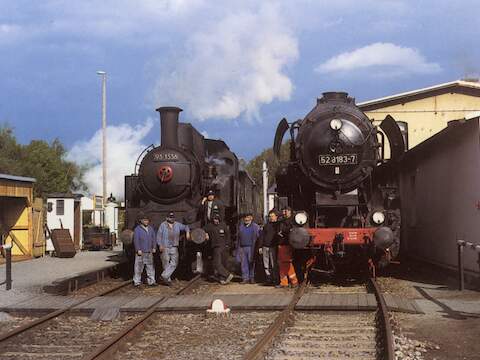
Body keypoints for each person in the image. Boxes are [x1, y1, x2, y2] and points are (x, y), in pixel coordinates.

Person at [156, 212, 190, 286]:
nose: (172, 219)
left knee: (174, 263)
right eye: (170, 217)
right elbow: (159, 235)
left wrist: (187, 232)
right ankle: (167, 280)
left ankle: (163, 276)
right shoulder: (163, 225)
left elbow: (186, 227)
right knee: (165, 263)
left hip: (174, 246)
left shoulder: (177, 224)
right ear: (167, 218)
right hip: (165, 246)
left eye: (173, 217)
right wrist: (160, 245)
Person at [204, 214, 234, 284]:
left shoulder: (223, 225)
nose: (216, 221)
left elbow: (228, 235)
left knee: (223, 263)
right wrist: (205, 234)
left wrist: (227, 245)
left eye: (217, 219)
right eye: (214, 219)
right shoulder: (209, 226)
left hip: (224, 247)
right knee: (216, 263)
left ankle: (222, 278)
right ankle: (227, 275)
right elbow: (202, 230)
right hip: (216, 247)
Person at [133, 213, 157, 287]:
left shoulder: (151, 228)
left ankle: (151, 281)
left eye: (147, 220)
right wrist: (138, 249)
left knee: (150, 267)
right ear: (141, 221)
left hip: (149, 251)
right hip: (141, 251)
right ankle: (137, 282)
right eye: (145, 220)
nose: (146, 222)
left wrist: (154, 247)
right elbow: (136, 240)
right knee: (138, 267)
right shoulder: (137, 229)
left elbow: (154, 239)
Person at [236, 212, 261, 284]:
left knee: (252, 263)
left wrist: (258, 247)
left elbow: (258, 237)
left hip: (251, 247)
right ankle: (245, 278)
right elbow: (238, 238)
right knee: (243, 263)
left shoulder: (255, 226)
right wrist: (238, 248)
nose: (246, 219)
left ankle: (252, 278)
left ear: (251, 218)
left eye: (248, 217)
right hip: (242, 247)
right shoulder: (241, 226)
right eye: (245, 218)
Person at [278, 207, 298, 288]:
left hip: (286, 243)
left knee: (286, 262)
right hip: (281, 243)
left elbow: (291, 230)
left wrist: (282, 232)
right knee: (282, 263)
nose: (285, 212)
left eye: (287, 211)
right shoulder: (281, 221)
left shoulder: (292, 221)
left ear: (290, 212)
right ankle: (284, 282)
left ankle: (293, 281)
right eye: (284, 211)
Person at [259, 210, 281, 286]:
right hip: (265, 246)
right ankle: (268, 279)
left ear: (276, 217)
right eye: (270, 216)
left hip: (273, 247)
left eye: (272, 216)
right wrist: (260, 246)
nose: (271, 218)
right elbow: (262, 236)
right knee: (266, 264)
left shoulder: (278, 225)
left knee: (274, 264)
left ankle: (276, 279)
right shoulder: (266, 225)